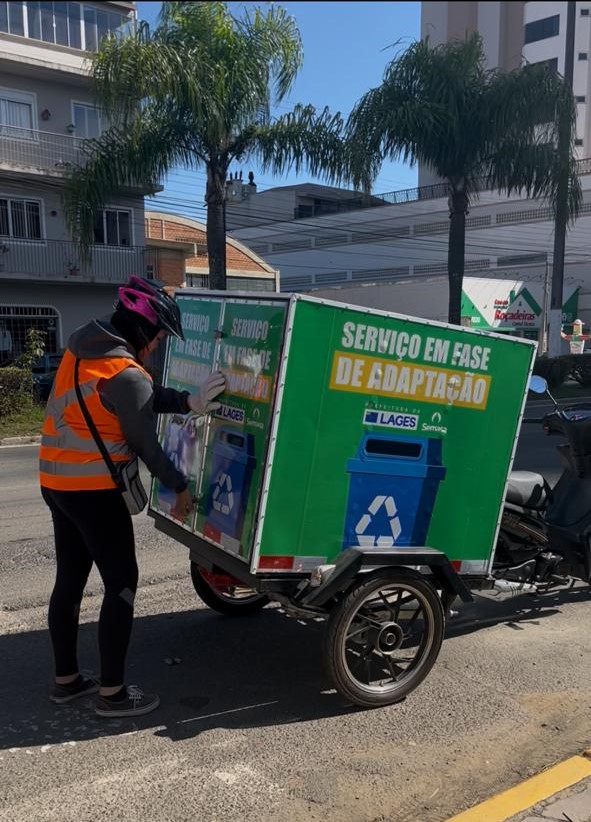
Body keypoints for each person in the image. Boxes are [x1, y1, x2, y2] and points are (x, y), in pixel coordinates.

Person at [39, 276, 225, 718]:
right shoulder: (125, 371)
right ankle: (114, 694)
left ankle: (66, 681)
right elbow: (145, 442)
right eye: (159, 336)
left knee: (69, 580)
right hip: (95, 493)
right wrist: (179, 487)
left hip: (55, 482)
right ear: (143, 329)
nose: (158, 345)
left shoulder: (83, 349)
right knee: (121, 584)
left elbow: (135, 399)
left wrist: (188, 401)